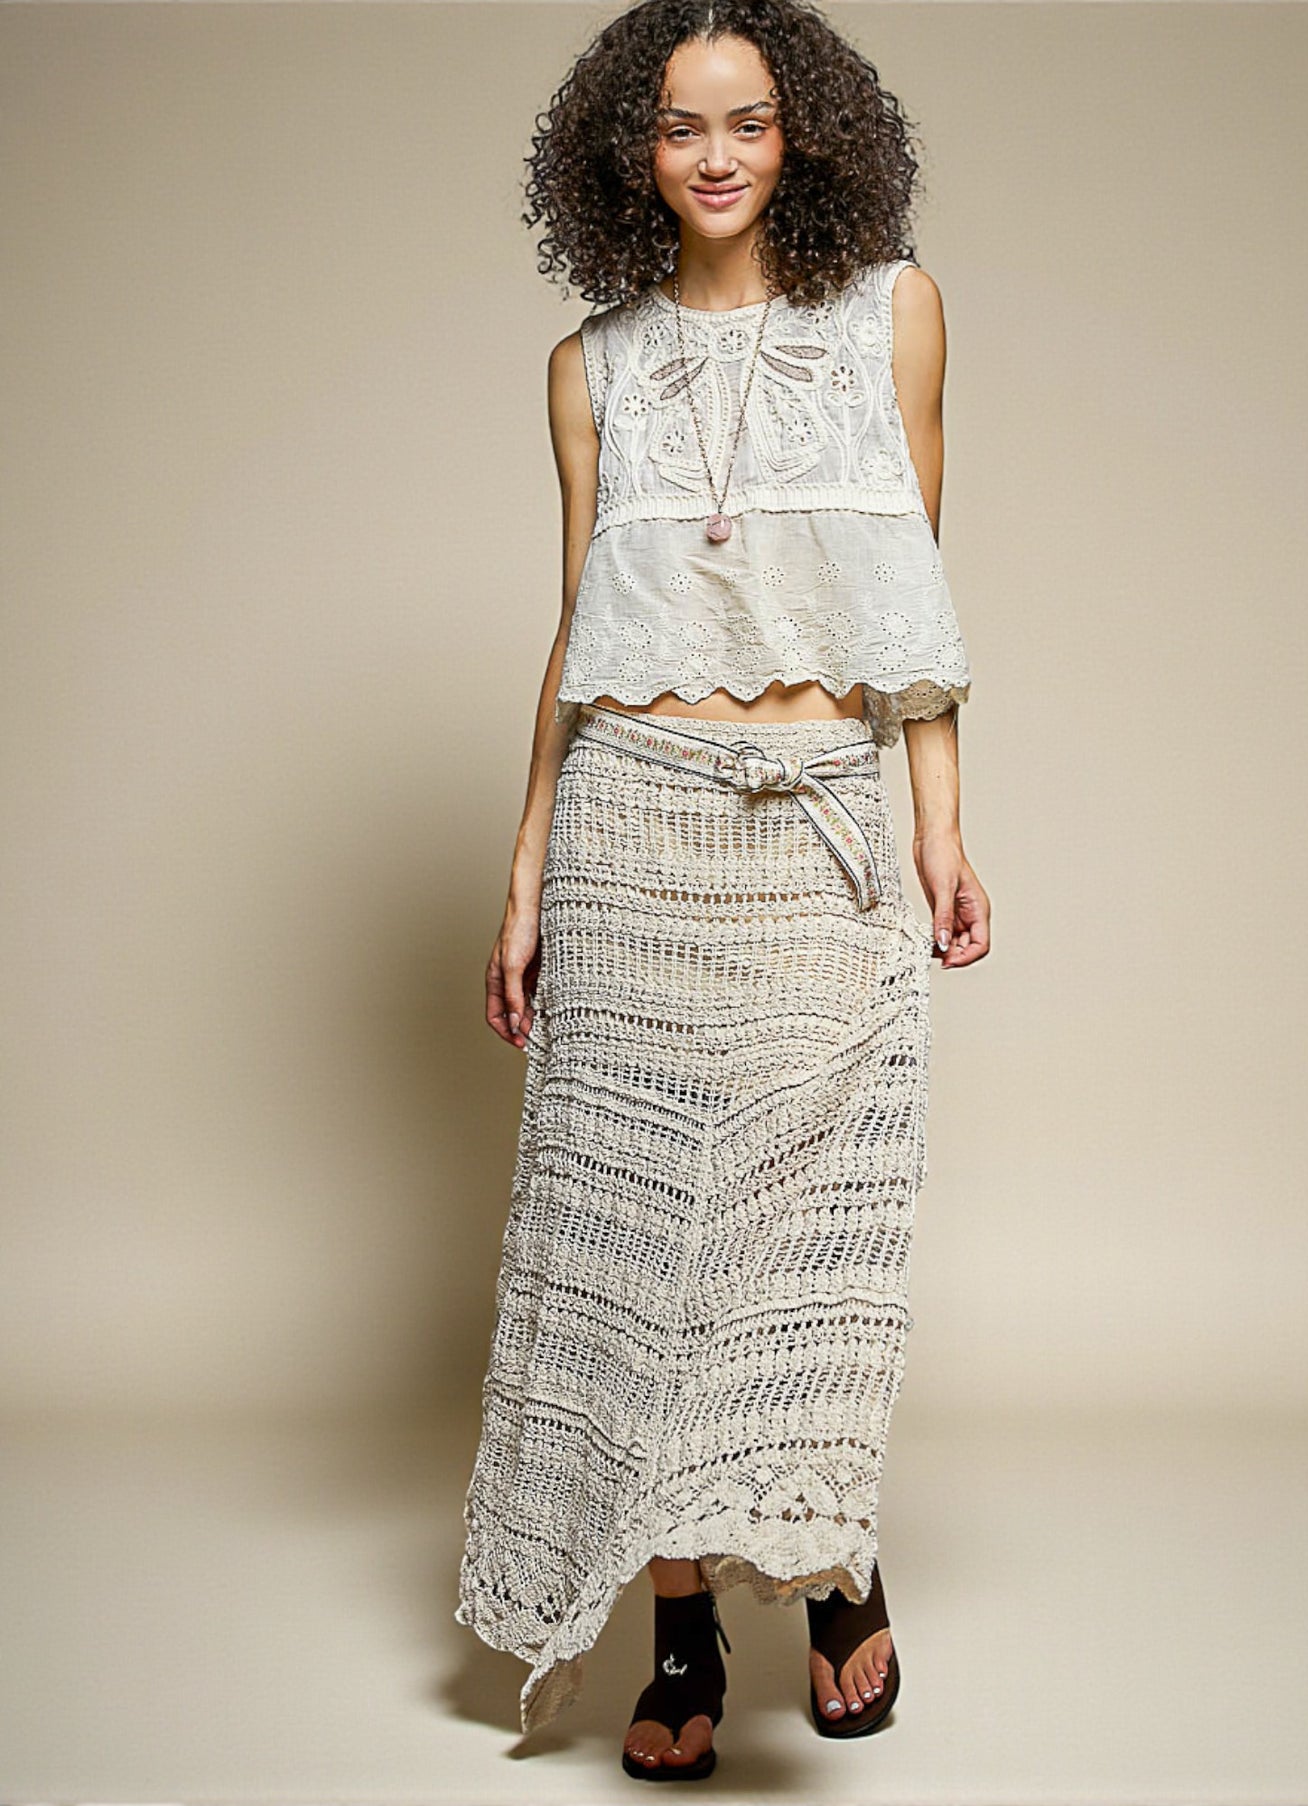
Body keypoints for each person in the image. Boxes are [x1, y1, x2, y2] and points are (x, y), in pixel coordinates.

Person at [455, 0, 991, 1780]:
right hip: (631, 826)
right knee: (630, 1248)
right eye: (681, 125)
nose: (714, 156)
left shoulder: (891, 313)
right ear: (630, 148)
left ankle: (828, 1553)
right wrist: (526, 871)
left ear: (802, 133)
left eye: (746, 120)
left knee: (798, 1229)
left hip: (812, 821)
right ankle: (676, 1621)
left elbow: (911, 592)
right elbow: (580, 628)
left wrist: (938, 823)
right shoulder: (588, 364)